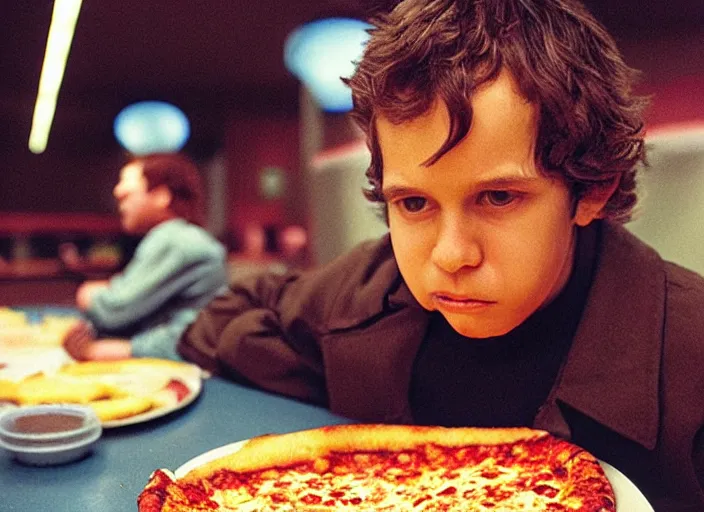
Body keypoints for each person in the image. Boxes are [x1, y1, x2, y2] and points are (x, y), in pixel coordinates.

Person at [177, 0, 704, 509]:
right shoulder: (367, 286)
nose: (451, 256)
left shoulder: (689, 353)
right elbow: (222, 323)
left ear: (592, 190)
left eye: (499, 197)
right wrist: (319, 383)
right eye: (413, 202)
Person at [63, 153, 228, 361]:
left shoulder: (175, 239)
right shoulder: (181, 237)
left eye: (127, 192)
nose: (118, 192)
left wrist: (88, 295)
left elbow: (114, 310)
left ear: (161, 196)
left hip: (188, 361)